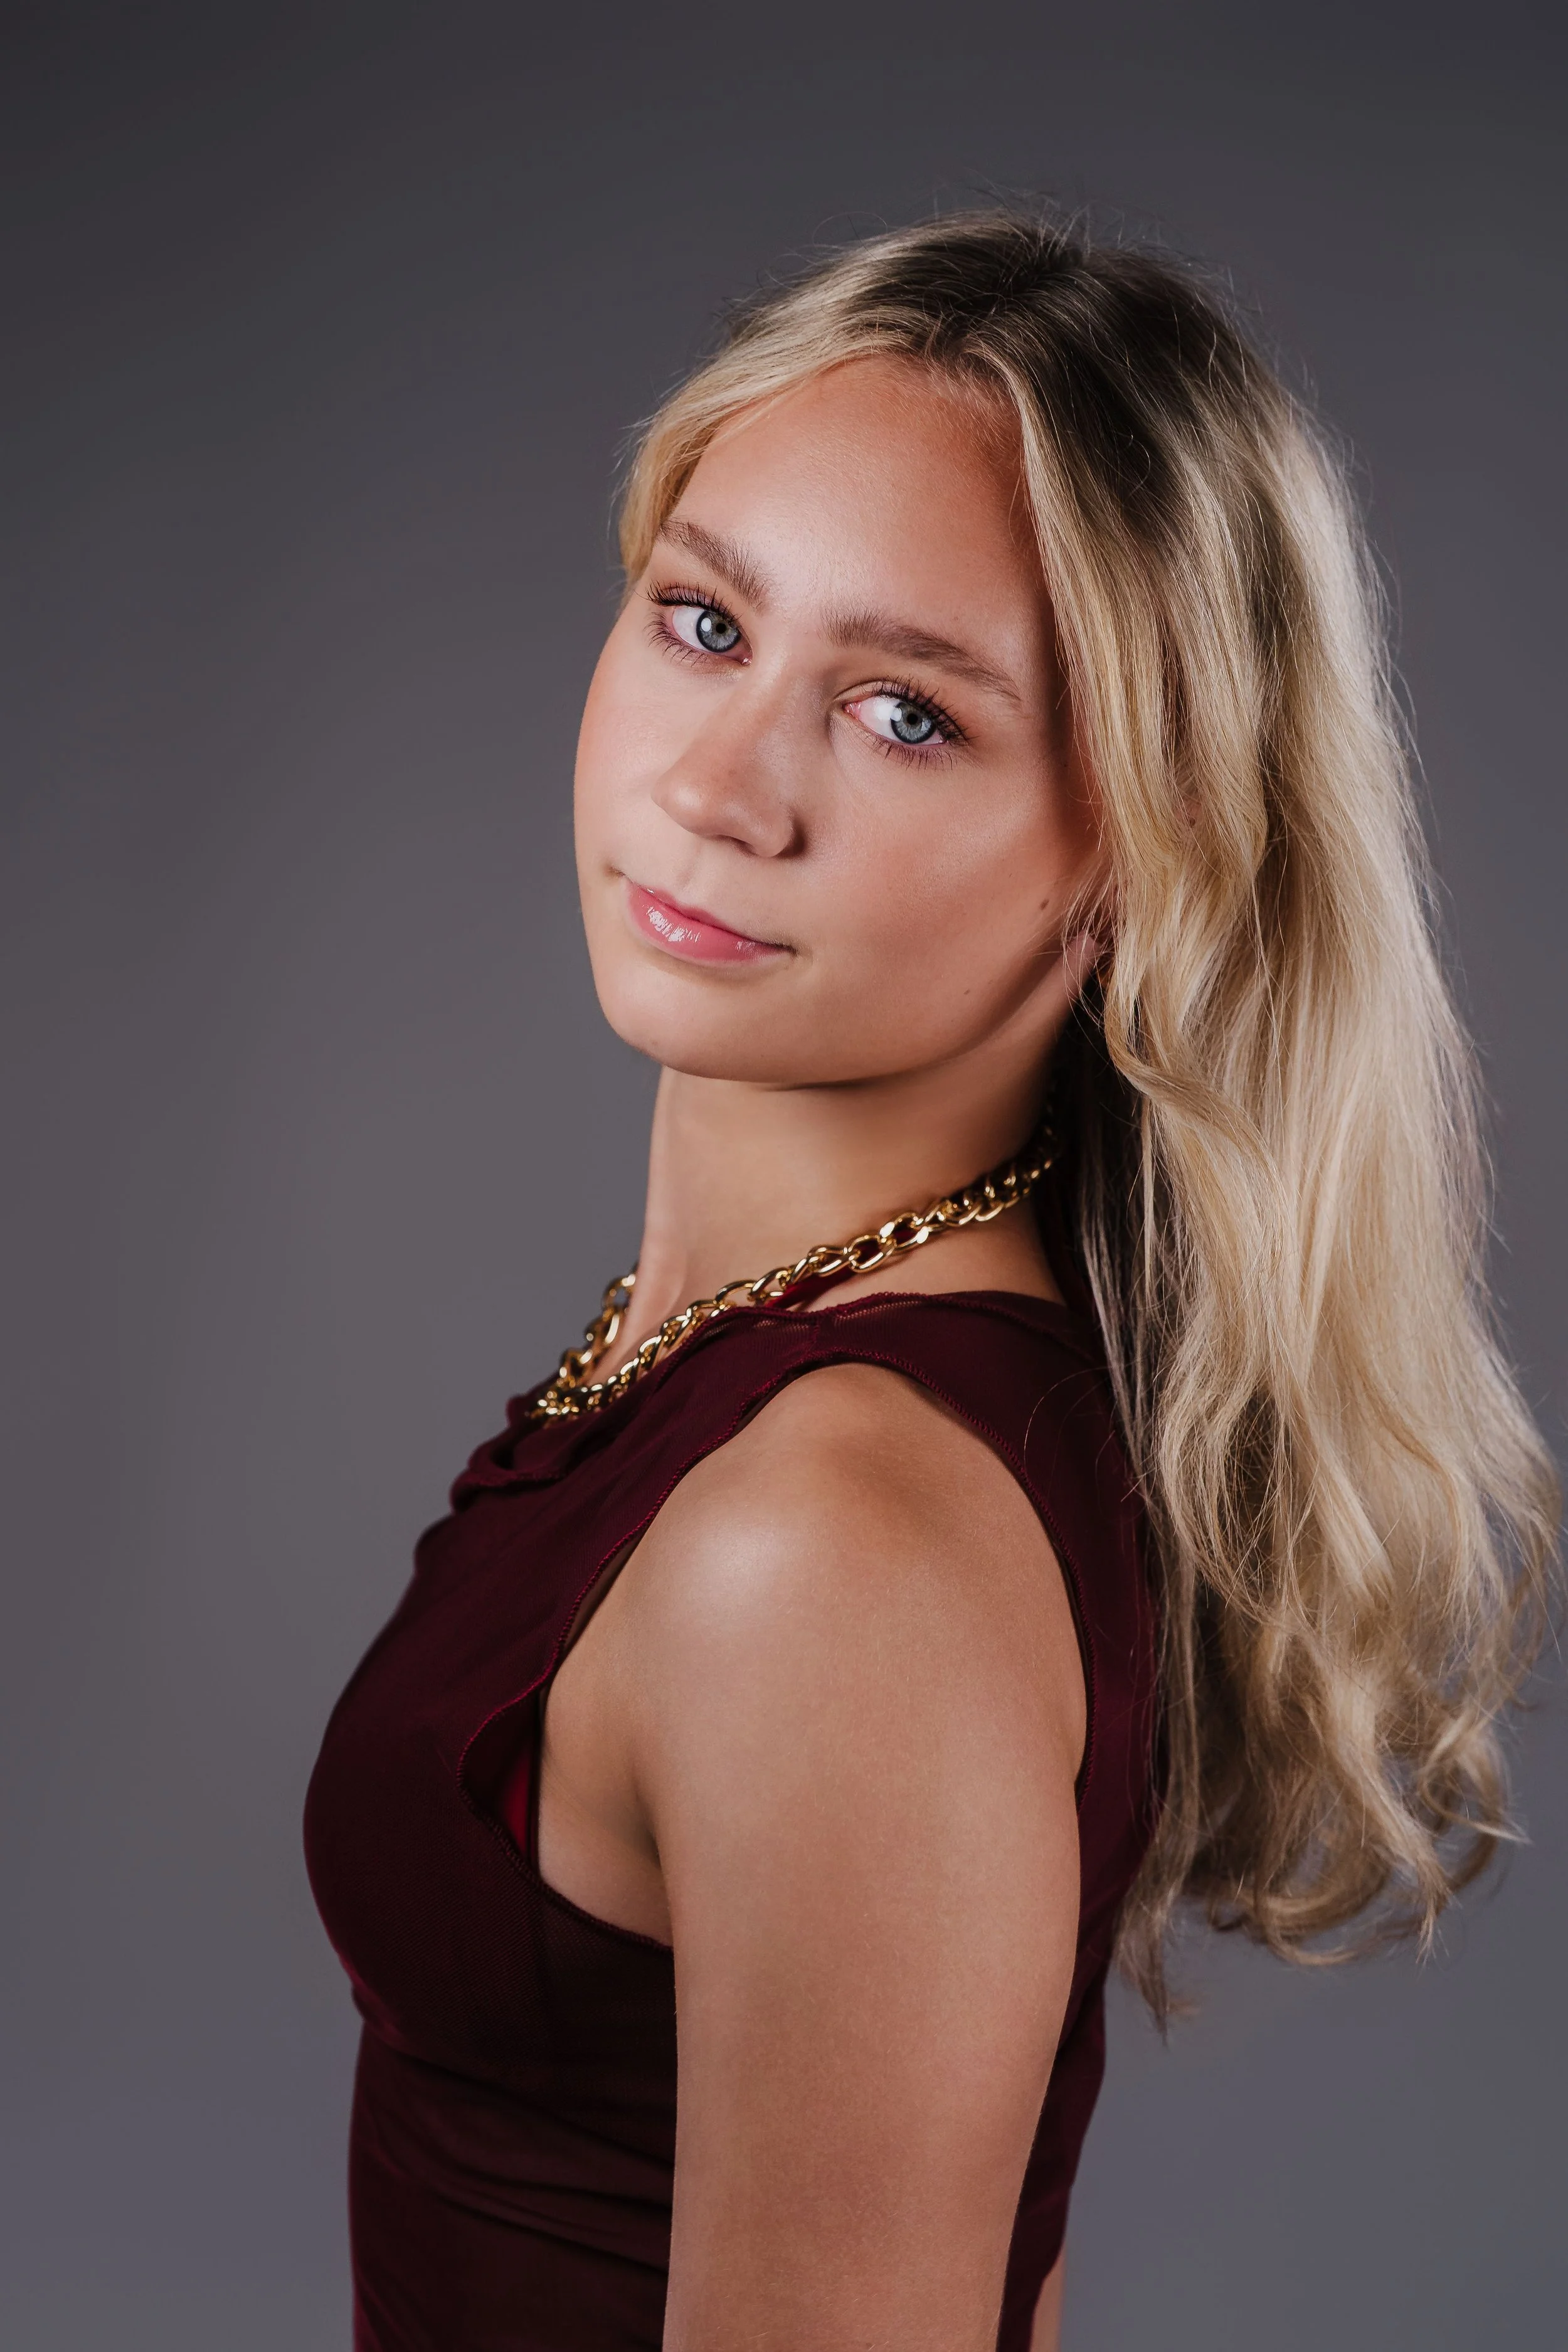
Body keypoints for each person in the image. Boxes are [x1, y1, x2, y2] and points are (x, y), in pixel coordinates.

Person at [303, 211, 1556, 2351]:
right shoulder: (800, 1386)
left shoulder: (835, 1541)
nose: (717, 786)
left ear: (1146, 855)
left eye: (902, 714)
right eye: (702, 620)